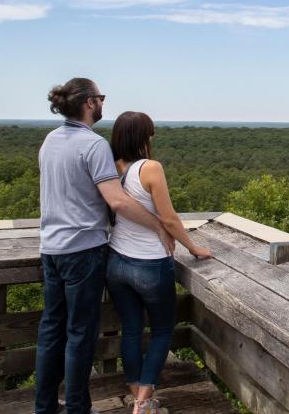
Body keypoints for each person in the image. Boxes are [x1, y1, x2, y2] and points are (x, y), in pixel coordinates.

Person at [36, 78, 174, 414]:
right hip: (82, 250)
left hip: (50, 249)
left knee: (51, 331)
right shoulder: (93, 145)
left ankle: (44, 408)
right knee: (80, 335)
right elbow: (118, 202)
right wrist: (158, 225)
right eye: (100, 98)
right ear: (88, 103)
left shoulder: (50, 141)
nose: (102, 103)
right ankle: (78, 409)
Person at [107, 111, 212, 414]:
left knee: (130, 329)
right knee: (163, 330)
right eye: (150, 133)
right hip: (149, 264)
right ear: (143, 137)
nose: (153, 138)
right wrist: (192, 247)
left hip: (115, 262)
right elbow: (168, 217)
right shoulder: (150, 168)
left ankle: (134, 390)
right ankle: (143, 402)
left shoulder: (111, 168)